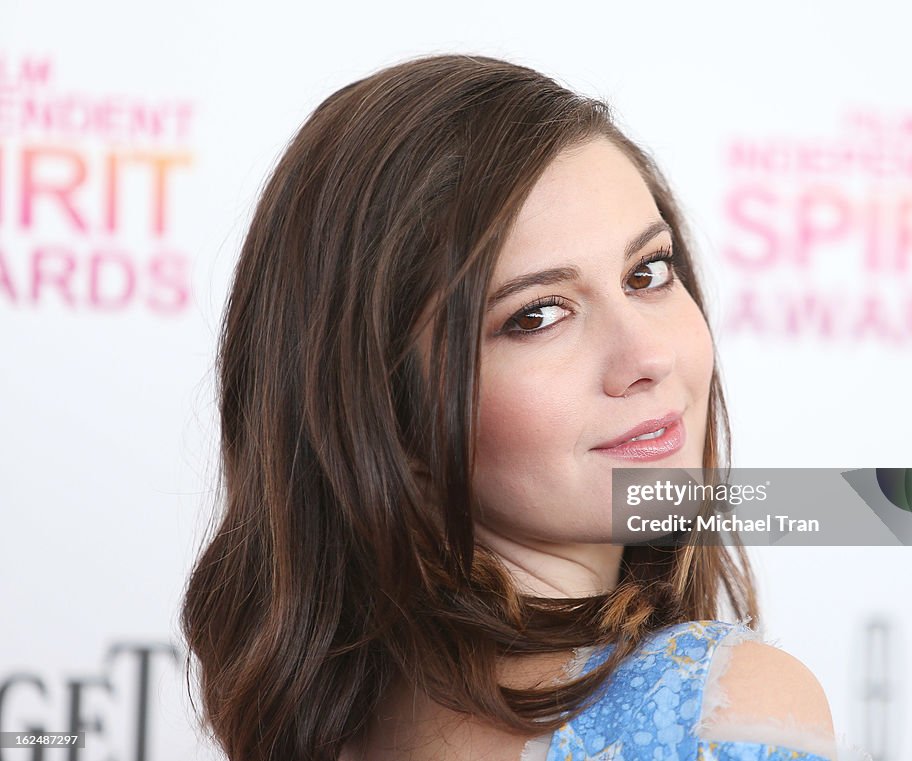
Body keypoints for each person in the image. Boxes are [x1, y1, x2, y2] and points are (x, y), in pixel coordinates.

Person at [180, 54, 843, 761]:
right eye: (537, 316)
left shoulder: (329, 734)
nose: (646, 357)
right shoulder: (721, 708)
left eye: (648, 272)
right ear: (389, 415)